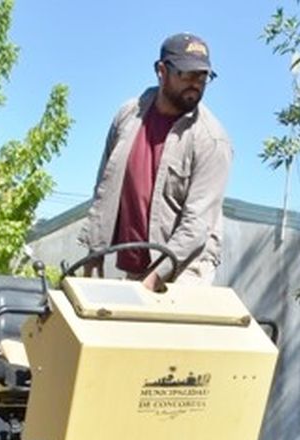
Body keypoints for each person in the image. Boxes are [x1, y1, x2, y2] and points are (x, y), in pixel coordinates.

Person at [80, 32, 232, 289]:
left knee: (161, 329)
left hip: (185, 270)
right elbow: (104, 188)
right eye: (187, 74)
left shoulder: (212, 140)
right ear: (162, 71)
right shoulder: (128, 116)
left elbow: (197, 225)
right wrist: (95, 254)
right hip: (136, 266)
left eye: (203, 76)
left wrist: (152, 281)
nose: (196, 83)